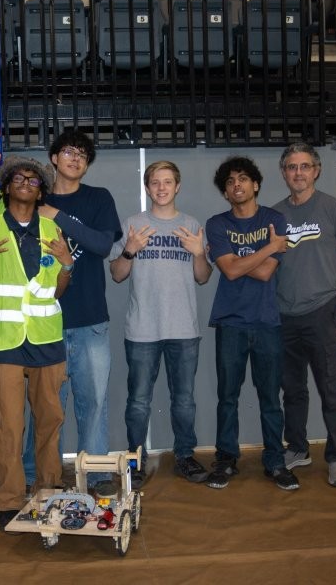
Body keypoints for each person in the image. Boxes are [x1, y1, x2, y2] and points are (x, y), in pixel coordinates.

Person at [0, 156, 73, 531]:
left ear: (41, 190)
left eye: (33, 180)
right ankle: (10, 499)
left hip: (47, 339)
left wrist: (67, 265)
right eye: (19, 178)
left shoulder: (52, 229)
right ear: (5, 186)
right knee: (10, 427)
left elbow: (58, 290)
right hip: (7, 342)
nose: (26, 184)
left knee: (50, 421)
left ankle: (48, 492)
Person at [23, 128, 122, 488]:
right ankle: (38, 476)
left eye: (82, 154)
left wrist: (58, 217)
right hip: (43, 321)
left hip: (90, 319)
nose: (75, 158)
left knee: (94, 404)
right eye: (68, 151)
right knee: (45, 408)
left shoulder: (98, 198)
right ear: (54, 158)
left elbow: (101, 245)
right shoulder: (33, 198)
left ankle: (96, 475)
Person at [109, 161, 212, 489]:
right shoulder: (133, 224)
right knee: (138, 401)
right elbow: (117, 274)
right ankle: (136, 461)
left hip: (184, 330)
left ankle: (185, 456)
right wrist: (129, 250)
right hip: (142, 330)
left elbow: (203, 277)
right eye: (155, 182)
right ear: (147, 187)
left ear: (177, 186)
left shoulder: (191, 225)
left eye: (168, 182)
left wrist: (199, 253)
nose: (162, 188)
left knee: (184, 400)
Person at [205, 156, 299, 491]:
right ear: (225, 191)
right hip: (230, 322)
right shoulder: (217, 224)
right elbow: (230, 271)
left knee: (270, 397)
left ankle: (275, 461)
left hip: (266, 322)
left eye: (243, 178)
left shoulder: (275, 219)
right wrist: (269, 247)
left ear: (255, 184)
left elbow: (265, 272)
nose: (237, 185)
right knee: (227, 397)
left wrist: (245, 258)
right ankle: (226, 459)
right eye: (230, 182)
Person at [274, 142, 336, 487]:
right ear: (284, 173)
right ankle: (297, 448)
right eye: (292, 167)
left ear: (317, 170)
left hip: (323, 312)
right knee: (292, 390)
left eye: (305, 166)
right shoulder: (275, 215)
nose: (298, 173)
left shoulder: (334, 210)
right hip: (283, 315)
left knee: (331, 389)